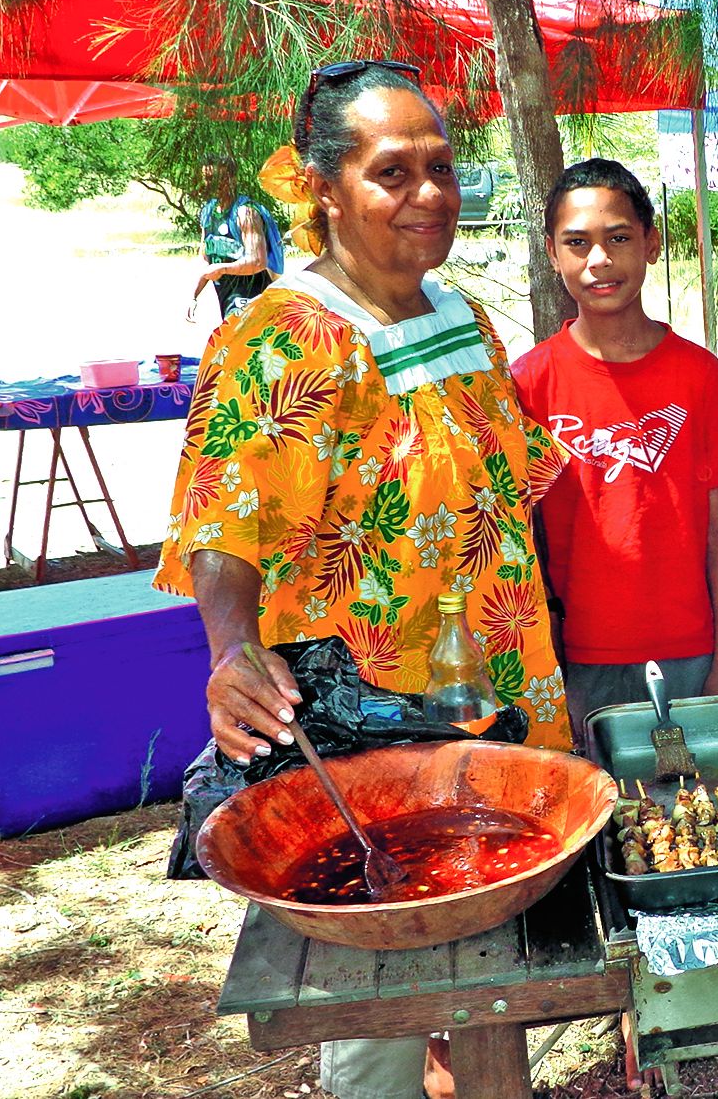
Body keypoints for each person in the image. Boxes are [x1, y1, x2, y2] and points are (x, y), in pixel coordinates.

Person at [154, 61, 570, 1099]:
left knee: (495, 983)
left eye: (440, 167)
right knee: (380, 991)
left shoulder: (461, 319)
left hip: (495, 709)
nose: (429, 193)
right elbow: (225, 521)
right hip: (370, 736)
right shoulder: (274, 337)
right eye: (394, 172)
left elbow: (503, 487)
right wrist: (230, 647)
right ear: (323, 190)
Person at [511, 157, 718, 731]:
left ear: (650, 243)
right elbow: (523, 534)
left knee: (699, 811)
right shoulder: (529, 383)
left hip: (690, 649)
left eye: (618, 238)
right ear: (552, 254)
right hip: (577, 656)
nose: (599, 260)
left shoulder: (700, 377)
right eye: (577, 243)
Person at [185, 154, 284, 322]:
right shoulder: (208, 212)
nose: (213, 184)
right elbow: (205, 258)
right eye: (208, 179)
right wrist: (194, 295)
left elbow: (258, 261)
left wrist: (222, 269)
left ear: (232, 179)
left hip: (253, 298)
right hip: (227, 297)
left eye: (219, 178)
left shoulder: (245, 213)